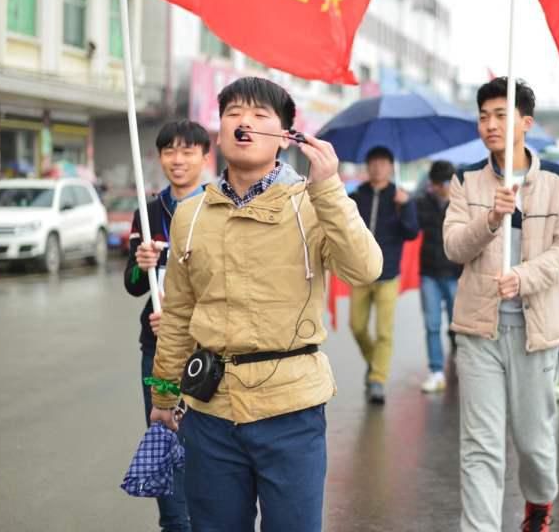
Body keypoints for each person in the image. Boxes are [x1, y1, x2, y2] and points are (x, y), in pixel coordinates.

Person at [147, 77, 382, 532]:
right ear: (219, 132)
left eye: (259, 115)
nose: (244, 122)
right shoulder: (191, 215)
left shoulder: (312, 204)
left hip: (291, 410)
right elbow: (177, 315)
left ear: (285, 136)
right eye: (233, 113)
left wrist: (330, 189)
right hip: (210, 412)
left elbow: (365, 269)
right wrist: (163, 394)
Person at [444, 77, 559, 532]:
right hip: (478, 332)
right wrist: (490, 218)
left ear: (526, 123)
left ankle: (539, 502)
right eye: (484, 116)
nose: (490, 124)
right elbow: (453, 247)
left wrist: (523, 277)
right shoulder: (465, 180)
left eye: (501, 116)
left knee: (533, 442)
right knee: (480, 446)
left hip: (536, 333)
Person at [125, 120, 211, 532]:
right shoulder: (148, 212)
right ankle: (175, 524)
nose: (178, 160)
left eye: (188, 151)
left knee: (206, 442)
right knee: (164, 434)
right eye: (169, 151)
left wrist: (185, 322)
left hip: (207, 351)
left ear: (205, 157)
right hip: (156, 348)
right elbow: (132, 285)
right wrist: (141, 265)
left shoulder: (218, 207)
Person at [348, 145, 419, 404]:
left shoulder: (400, 197)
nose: (378, 167)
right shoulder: (357, 196)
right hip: (360, 273)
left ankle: (378, 379)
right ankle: (374, 361)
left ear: (390, 167)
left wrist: (405, 206)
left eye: (383, 163)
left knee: (384, 332)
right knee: (357, 326)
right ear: (368, 167)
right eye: (374, 163)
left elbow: (411, 232)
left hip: (388, 274)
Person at [415, 160, 462, 393]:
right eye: (436, 184)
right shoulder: (422, 203)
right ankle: (436, 371)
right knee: (432, 324)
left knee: (459, 324)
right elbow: (410, 229)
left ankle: (461, 358)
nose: (441, 188)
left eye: (445, 183)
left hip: (455, 273)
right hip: (429, 273)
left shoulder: (463, 205)